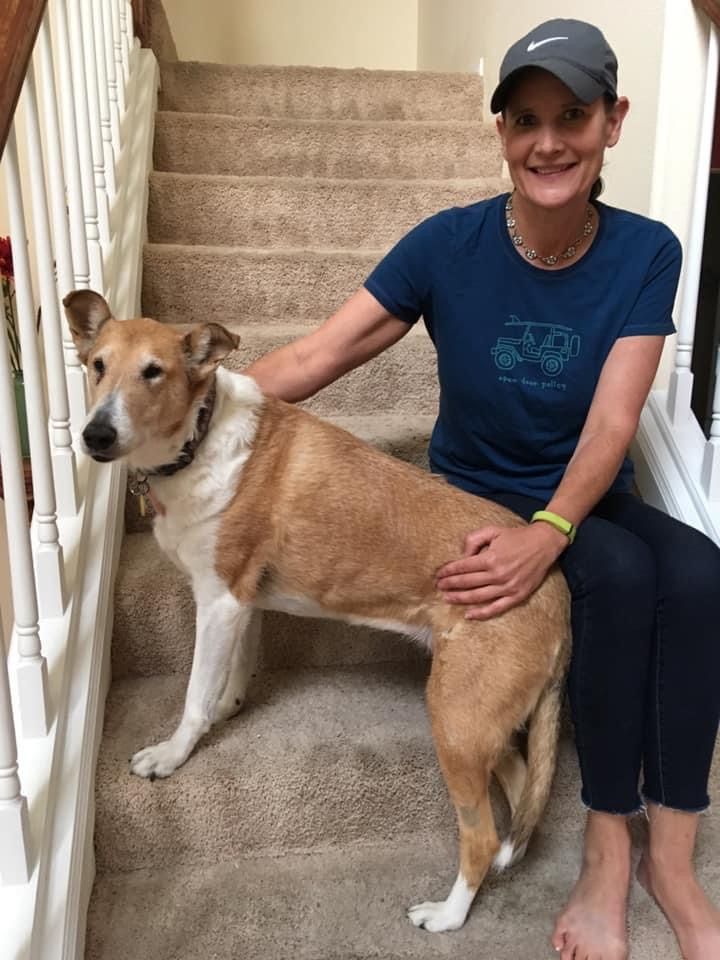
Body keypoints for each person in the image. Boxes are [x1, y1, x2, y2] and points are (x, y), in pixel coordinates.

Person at [244, 18, 720, 960]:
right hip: (473, 500)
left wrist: (550, 530)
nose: (549, 142)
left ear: (613, 121)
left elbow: (612, 426)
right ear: (501, 131)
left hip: (577, 494)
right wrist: (187, 428)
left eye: (572, 116)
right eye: (526, 119)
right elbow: (318, 354)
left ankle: (672, 860)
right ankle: (606, 848)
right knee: (623, 576)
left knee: (701, 571)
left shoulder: (647, 250)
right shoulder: (447, 245)